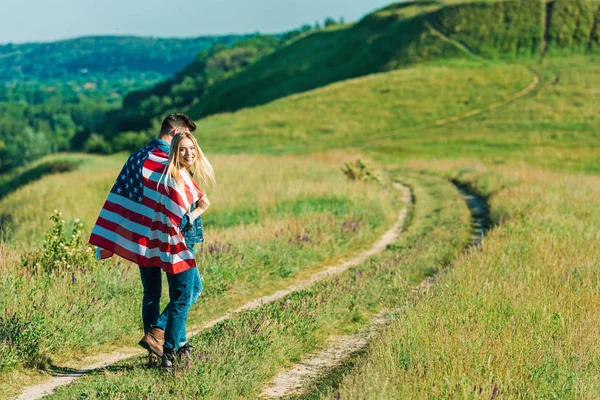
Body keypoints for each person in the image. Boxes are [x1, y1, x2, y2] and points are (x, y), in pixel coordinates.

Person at [89, 113, 214, 371]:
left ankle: (154, 350)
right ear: (175, 133)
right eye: (184, 138)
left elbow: (122, 198)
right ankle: (164, 338)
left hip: (142, 237)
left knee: (152, 294)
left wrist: (120, 233)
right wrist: (196, 210)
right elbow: (177, 206)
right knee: (189, 290)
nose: (188, 144)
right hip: (172, 237)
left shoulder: (136, 158)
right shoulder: (164, 160)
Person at [138, 130, 215, 370]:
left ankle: (171, 343)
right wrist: (199, 210)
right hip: (178, 246)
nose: (189, 153)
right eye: (183, 149)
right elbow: (178, 222)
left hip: (171, 243)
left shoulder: (180, 174)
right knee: (183, 297)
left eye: (192, 148)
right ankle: (166, 342)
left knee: (185, 292)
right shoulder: (175, 177)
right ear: (174, 151)